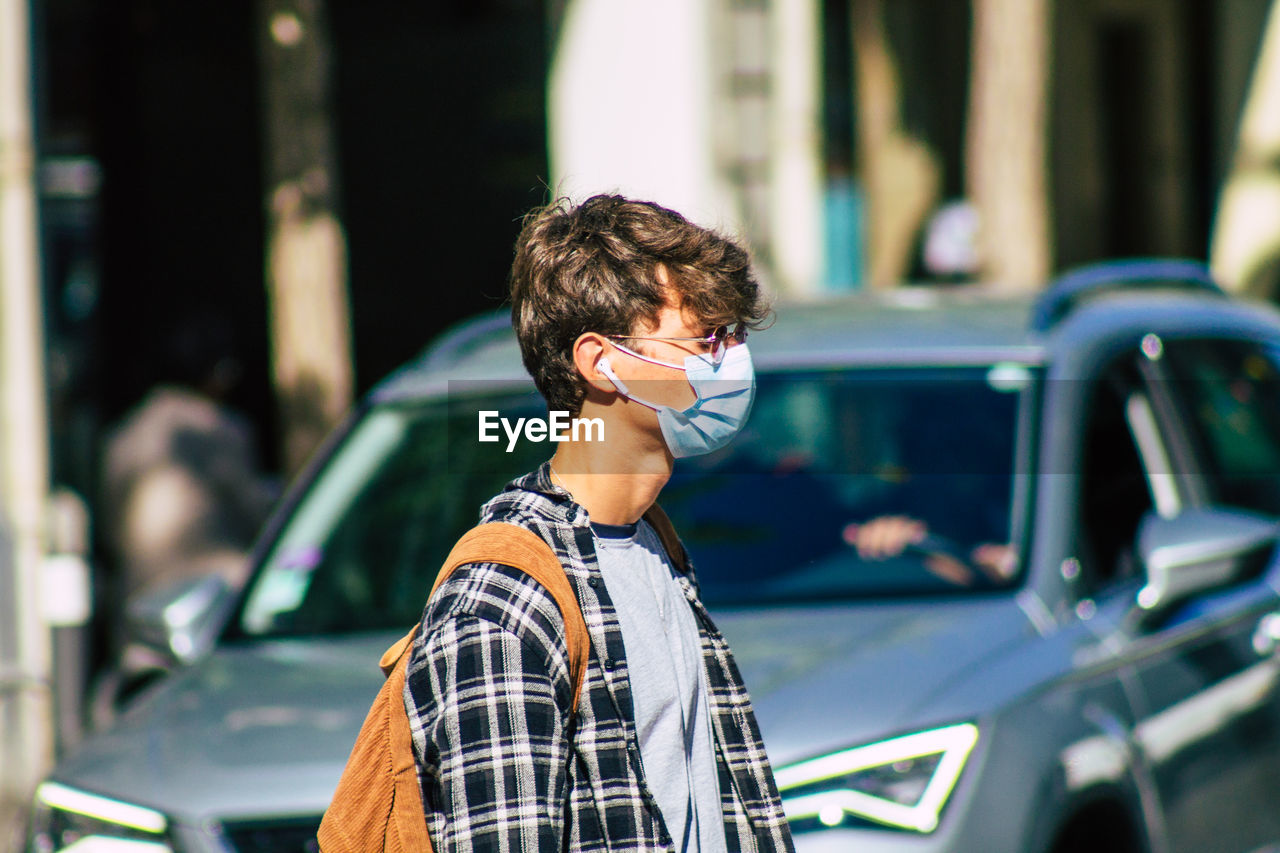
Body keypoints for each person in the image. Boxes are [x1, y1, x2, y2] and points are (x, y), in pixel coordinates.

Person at [404, 195, 794, 853]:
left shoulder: (652, 542)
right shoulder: (507, 601)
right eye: (704, 338)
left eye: (732, 337)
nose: (728, 360)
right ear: (599, 361)